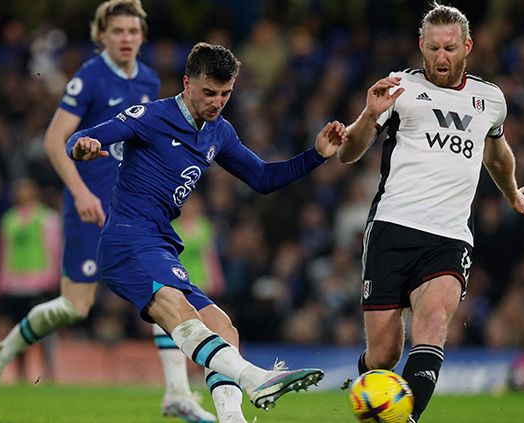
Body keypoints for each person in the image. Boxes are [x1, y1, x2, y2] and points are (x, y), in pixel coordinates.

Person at [67, 42, 343, 423]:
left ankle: (232, 419)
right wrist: (84, 146)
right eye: (209, 92)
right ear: (186, 83)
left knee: (222, 327)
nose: (217, 102)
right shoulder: (152, 116)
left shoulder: (219, 133)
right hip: (127, 240)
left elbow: (262, 178)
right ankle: (258, 377)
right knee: (183, 315)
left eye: (225, 93)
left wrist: (316, 155)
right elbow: (85, 137)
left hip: (160, 243)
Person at [0, 2, 215, 421]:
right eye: (117, 31)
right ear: (101, 35)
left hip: (135, 210)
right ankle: (2, 351)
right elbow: (54, 140)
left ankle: (177, 393)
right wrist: (82, 193)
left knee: (164, 292)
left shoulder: (148, 78)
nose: (125, 38)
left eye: (132, 31)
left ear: (142, 36)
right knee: (74, 307)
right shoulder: (89, 77)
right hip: (89, 208)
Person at [337, 4, 524, 422]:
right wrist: (369, 114)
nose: (440, 58)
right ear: (420, 47)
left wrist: (511, 192)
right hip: (392, 227)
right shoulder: (398, 88)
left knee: (433, 323)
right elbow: (348, 155)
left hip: (449, 236)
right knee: (385, 354)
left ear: (467, 46)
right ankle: (368, 379)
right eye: (432, 48)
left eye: (449, 48)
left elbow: (497, 155)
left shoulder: (490, 99)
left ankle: (407, 418)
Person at [0, 178, 61, 382]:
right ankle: (22, 373)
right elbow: (3, 252)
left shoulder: (47, 218)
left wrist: (52, 277)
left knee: (45, 330)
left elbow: (54, 249)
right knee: (19, 331)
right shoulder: (8, 219)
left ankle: (50, 372)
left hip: (39, 283)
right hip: (14, 284)